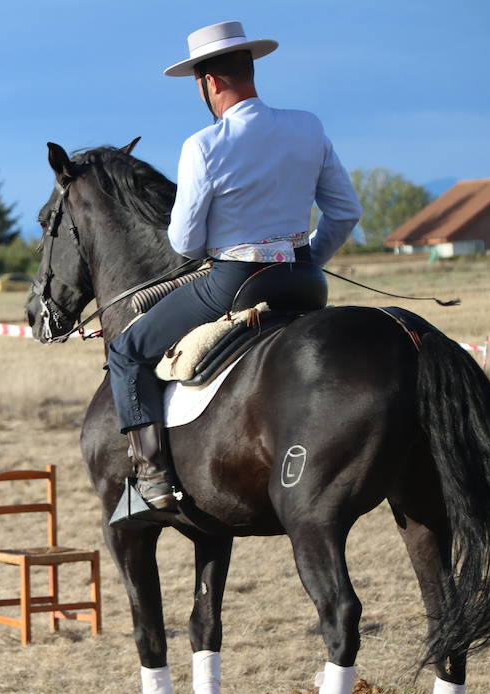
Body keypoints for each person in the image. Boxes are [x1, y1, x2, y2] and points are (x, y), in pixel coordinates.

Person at [106, 20, 362, 521]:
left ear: (211, 83)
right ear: (248, 71)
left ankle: (152, 477)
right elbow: (345, 211)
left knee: (127, 348)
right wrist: (306, 258)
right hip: (307, 282)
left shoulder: (203, 146)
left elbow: (183, 241)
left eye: (198, 84)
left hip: (235, 283)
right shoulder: (308, 125)